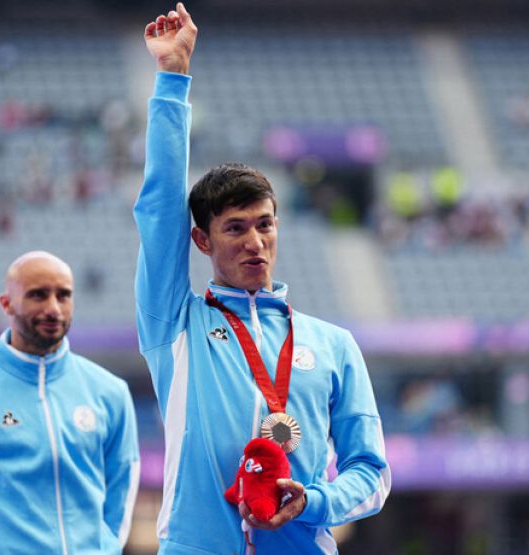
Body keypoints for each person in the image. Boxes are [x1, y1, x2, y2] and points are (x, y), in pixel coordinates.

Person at [135, 5, 390, 554]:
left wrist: (314, 501)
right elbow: (158, 210)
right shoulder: (175, 324)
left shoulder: (333, 345)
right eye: (234, 229)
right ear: (202, 240)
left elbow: (371, 472)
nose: (254, 241)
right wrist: (173, 80)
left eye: (265, 225)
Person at [0, 251, 140, 554]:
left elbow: (120, 502)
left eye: (64, 295)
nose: (53, 308)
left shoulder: (111, 392)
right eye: (38, 295)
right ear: (6, 303)